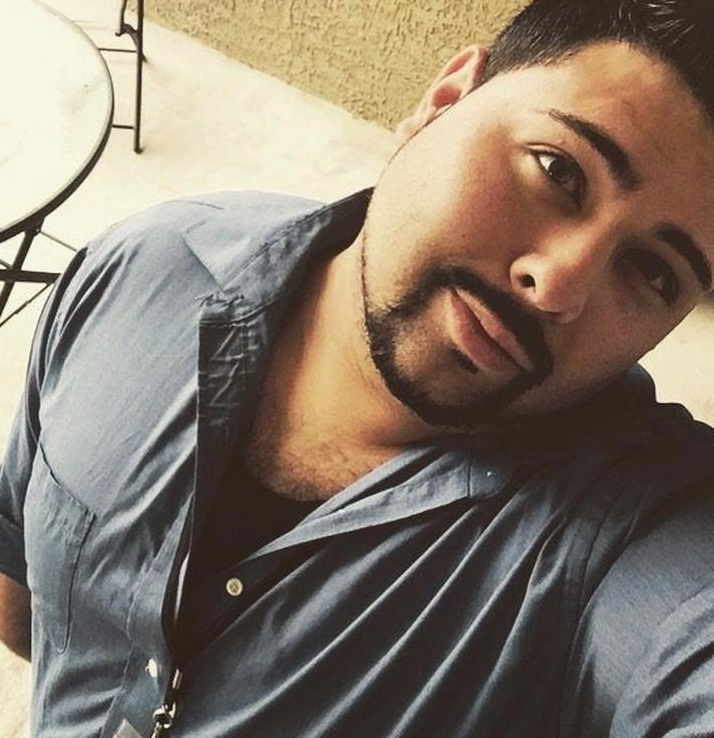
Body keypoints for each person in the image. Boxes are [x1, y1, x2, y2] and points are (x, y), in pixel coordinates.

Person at [2, 0, 714, 735]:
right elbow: (21, 580)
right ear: (445, 100)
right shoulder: (147, 265)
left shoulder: (630, 529)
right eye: (559, 170)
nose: (558, 285)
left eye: (653, 273)